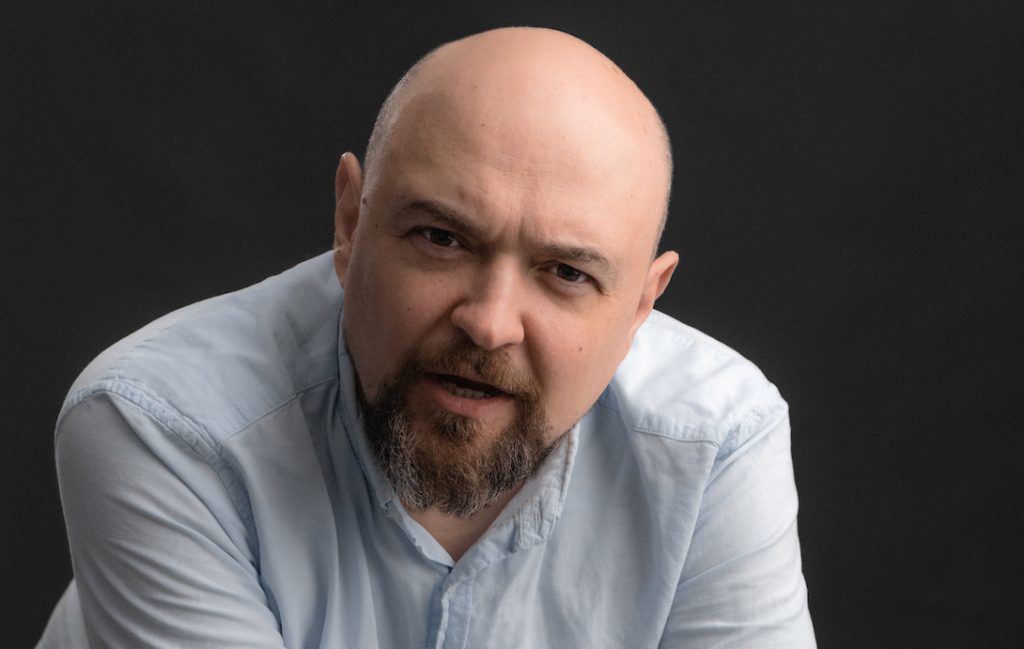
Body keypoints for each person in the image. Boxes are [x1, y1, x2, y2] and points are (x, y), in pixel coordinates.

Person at [38, 27, 816, 648]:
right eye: (442, 238)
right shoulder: (165, 425)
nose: (489, 321)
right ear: (351, 223)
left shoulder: (714, 442)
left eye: (566, 273)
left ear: (643, 304)